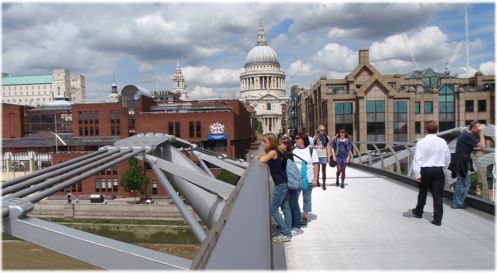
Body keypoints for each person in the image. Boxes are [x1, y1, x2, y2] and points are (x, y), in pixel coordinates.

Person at [411, 121, 451, 226]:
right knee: (438, 195)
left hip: (425, 171)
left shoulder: (421, 142)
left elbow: (417, 160)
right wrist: (444, 167)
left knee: (422, 193)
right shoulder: (443, 142)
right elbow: (447, 157)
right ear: (437, 130)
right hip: (438, 170)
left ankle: (418, 212)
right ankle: (437, 220)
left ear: (426, 130)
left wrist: (417, 174)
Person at [259, 133, 292, 243]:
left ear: (271, 143)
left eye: (265, 142)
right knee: (286, 208)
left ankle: (285, 233)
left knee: (273, 209)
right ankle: (287, 229)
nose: (262, 144)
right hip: (285, 183)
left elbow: (263, 160)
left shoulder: (273, 152)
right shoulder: (276, 151)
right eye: (262, 141)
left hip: (280, 185)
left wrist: (260, 157)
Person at [449, 121, 485, 209]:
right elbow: (482, 146)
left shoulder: (466, 135)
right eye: (478, 127)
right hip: (462, 162)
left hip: (461, 161)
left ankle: (458, 202)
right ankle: (457, 203)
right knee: (462, 183)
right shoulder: (468, 136)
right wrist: (481, 133)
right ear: (472, 128)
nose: (479, 129)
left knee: (465, 183)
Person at [278, 136, 304, 236]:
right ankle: (290, 224)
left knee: (293, 204)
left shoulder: (286, 156)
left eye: (280, 144)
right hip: (289, 183)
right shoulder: (287, 154)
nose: (278, 146)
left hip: (291, 184)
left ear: (285, 145)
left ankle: (297, 226)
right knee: (289, 204)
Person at [292, 132, 319, 226]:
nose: (296, 139)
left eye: (297, 138)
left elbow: (315, 165)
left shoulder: (312, 151)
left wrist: (315, 179)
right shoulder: (293, 150)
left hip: (308, 179)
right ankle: (295, 215)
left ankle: (305, 216)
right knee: (295, 199)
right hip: (296, 180)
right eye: (295, 138)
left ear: (303, 139)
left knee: (307, 198)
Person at [313, 125, 331, 190]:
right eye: (321, 130)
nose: (322, 131)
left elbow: (328, 147)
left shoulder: (327, 137)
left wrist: (328, 157)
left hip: (324, 155)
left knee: (324, 171)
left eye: (324, 130)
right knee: (317, 170)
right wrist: (314, 146)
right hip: (317, 155)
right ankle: (317, 181)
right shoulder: (315, 137)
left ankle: (324, 184)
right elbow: (312, 145)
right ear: (318, 130)